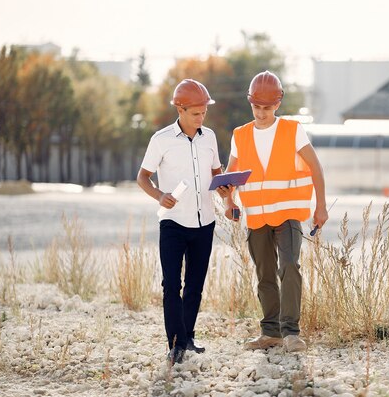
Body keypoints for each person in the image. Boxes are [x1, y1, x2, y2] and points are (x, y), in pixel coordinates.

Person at [218, 71, 328, 352]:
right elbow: (231, 175)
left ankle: (291, 332)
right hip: (256, 217)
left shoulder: (293, 130)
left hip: (289, 213)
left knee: (289, 266)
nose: (261, 112)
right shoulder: (240, 135)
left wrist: (321, 207)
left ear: (277, 104)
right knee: (264, 273)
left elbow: (315, 167)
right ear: (250, 103)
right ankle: (270, 333)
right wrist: (228, 200)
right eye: (256, 107)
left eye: (267, 107)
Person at [137, 79, 222, 365]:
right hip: (173, 223)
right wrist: (160, 196)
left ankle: (188, 337)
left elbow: (217, 173)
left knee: (195, 285)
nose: (201, 118)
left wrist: (226, 189)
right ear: (181, 109)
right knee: (171, 284)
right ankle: (175, 344)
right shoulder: (161, 139)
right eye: (196, 113)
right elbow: (142, 177)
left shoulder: (209, 137)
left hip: (205, 222)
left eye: (204, 112)